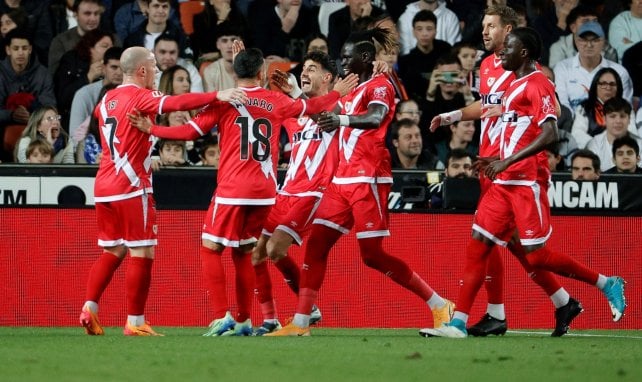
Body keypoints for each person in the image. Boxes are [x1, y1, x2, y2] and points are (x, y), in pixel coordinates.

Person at [130, 43, 356, 336]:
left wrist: (153, 130)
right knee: (248, 251)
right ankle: (247, 319)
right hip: (266, 192)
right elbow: (310, 106)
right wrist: (338, 92)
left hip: (235, 187)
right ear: (261, 72)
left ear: (235, 71)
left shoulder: (226, 100)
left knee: (210, 247)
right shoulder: (276, 101)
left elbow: (190, 132)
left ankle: (221, 316)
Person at [421, 27, 626, 339]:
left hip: (525, 183)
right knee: (478, 245)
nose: (502, 53)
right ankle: (458, 323)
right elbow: (514, 127)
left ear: (525, 53)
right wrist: (495, 159)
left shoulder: (538, 84)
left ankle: (605, 282)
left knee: (536, 255)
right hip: (502, 180)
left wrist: (508, 160)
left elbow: (550, 132)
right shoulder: (515, 85)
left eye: (509, 48)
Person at [267, 27, 454, 337]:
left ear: (365, 58)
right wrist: (298, 96)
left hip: (369, 177)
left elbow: (376, 118)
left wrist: (339, 120)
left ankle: (438, 304)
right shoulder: (352, 86)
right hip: (342, 180)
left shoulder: (381, 85)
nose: (342, 63)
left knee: (372, 255)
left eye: (346, 57)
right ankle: (300, 323)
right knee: (316, 245)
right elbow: (326, 118)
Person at [429, 6, 580, 337]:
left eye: (491, 26)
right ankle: (557, 302)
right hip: (492, 164)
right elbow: (487, 107)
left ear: (509, 30)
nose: (484, 31)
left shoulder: (526, 71)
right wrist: (452, 116)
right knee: (503, 242)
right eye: (482, 25)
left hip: (518, 168)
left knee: (497, 242)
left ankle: (485, 315)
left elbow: (553, 113)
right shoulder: (486, 66)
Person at [78, 46, 246, 336]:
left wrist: (142, 151)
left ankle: (90, 307)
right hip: (131, 185)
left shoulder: (106, 99)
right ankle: (135, 321)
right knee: (142, 251)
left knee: (113, 249)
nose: (156, 72)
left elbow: (111, 127)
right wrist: (216, 95)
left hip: (104, 184)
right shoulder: (142, 96)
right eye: (154, 66)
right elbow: (178, 104)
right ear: (142, 70)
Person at [250, 50, 342, 335]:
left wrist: (296, 97)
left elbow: (324, 116)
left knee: (275, 249)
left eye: (312, 69)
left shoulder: (337, 107)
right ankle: (270, 319)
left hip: (312, 193)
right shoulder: (295, 112)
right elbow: (263, 106)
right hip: (285, 191)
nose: (305, 73)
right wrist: (245, 70)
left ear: (327, 77)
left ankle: (307, 308)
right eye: (304, 69)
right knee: (256, 253)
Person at [554, 21, 634, 116]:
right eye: (583, 40)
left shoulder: (620, 72)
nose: (589, 45)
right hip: (570, 125)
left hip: (608, 126)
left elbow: (624, 108)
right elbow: (562, 104)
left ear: (603, 42)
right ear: (576, 41)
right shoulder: (562, 68)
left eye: (595, 40)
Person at [0, 29, 56, 162]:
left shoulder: (43, 73)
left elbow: (50, 107)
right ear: (8, 50)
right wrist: (11, 115)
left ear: (30, 49)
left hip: (35, 127)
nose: (20, 52)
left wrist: (31, 117)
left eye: (24, 48)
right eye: (16, 48)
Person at [55, 29, 114, 130]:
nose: (110, 50)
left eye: (111, 47)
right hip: (72, 120)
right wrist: (88, 77)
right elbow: (63, 99)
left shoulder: (114, 67)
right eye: (105, 46)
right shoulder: (71, 61)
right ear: (90, 48)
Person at [571, 68, 638, 149]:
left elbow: (632, 132)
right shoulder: (584, 107)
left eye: (612, 84)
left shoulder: (626, 108)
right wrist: (600, 146)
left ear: (618, 87)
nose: (608, 88)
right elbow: (577, 133)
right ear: (595, 86)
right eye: (603, 84)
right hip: (592, 152)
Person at [69, 46, 123, 145]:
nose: (119, 72)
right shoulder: (84, 94)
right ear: (103, 67)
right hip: (89, 153)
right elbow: (74, 138)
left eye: (123, 68)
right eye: (114, 67)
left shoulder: (134, 94)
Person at [396, 9, 452, 101]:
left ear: (435, 31)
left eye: (429, 29)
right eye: (419, 29)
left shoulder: (446, 50)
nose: (424, 34)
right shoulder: (406, 62)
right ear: (414, 32)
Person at [548, 5, 618, 69]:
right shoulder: (559, 48)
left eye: (595, 21)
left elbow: (612, 76)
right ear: (573, 28)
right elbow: (555, 78)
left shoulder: (607, 49)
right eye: (585, 21)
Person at [48, 0, 104, 77]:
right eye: (87, 14)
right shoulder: (60, 42)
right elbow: (56, 76)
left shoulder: (112, 39)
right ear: (75, 15)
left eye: (96, 13)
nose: (93, 18)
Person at [586, 97, 642, 171]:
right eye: (612, 116)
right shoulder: (594, 145)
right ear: (604, 119)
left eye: (622, 116)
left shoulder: (640, 144)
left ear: (629, 119)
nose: (618, 121)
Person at [123, 0, 191, 60]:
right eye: (156, 6)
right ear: (147, 9)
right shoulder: (132, 40)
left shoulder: (180, 37)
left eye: (165, 7)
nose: (160, 11)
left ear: (170, 10)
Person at [202, 22, 242, 92]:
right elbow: (210, 101)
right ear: (218, 45)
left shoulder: (255, 69)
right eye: (224, 41)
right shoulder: (210, 72)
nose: (229, 45)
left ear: (240, 42)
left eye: (233, 40)